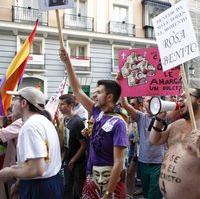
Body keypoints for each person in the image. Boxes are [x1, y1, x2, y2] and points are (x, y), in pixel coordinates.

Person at [60, 47, 128, 199]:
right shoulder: (97, 112)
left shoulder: (118, 123)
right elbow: (77, 90)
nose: (94, 95)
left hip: (110, 182)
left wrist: (109, 193)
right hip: (92, 177)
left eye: (99, 92)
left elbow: (119, 162)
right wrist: (68, 62)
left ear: (109, 97)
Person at [0, 87, 63, 199]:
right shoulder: (43, 122)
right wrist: (19, 181)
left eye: (15, 99)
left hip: (39, 188)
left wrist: (9, 172)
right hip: (49, 184)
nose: (12, 103)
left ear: (23, 103)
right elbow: (38, 162)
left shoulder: (30, 127)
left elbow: (36, 169)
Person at [149, 83, 200, 199]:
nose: (180, 99)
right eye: (179, 97)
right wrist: (159, 119)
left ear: (199, 101)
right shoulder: (176, 125)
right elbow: (153, 140)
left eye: (185, 96)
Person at [58, 93, 87, 199]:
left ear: (70, 105)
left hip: (77, 164)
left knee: (79, 191)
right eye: (59, 104)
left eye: (62, 104)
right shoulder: (65, 119)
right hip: (67, 160)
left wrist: (73, 161)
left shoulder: (77, 121)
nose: (59, 107)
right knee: (67, 188)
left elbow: (83, 145)